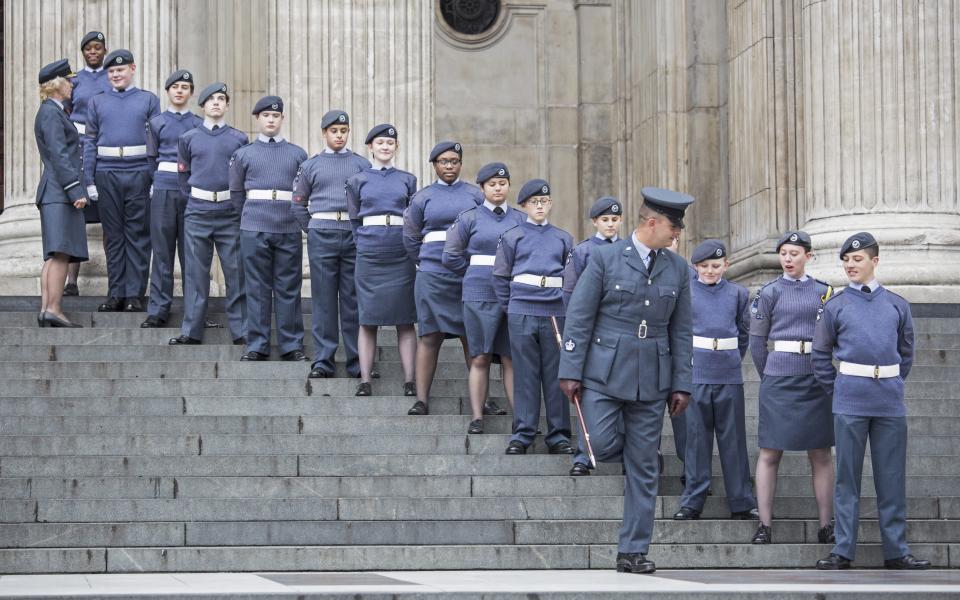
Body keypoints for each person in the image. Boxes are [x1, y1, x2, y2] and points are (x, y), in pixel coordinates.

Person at [559, 187, 694, 574]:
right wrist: (570, 370)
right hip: (603, 372)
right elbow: (580, 317)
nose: (676, 235)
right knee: (598, 443)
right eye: (672, 227)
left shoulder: (679, 268)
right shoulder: (603, 259)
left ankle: (633, 550)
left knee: (643, 467)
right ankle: (626, 453)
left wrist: (682, 382)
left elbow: (681, 330)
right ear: (651, 222)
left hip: (653, 378)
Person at [813, 232, 929, 570]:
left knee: (891, 478)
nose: (850, 264)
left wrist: (890, 381)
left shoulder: (897, 304)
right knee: (847, 478)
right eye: (846, 260)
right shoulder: (835, 306)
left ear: (874, 261)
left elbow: (906, 352)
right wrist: (839, 388)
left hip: (889, 401)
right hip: (849, 399)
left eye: (857, 259)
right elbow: (821, 355)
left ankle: (896, 550)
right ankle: (843, 549)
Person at [749, 230, 835, 545]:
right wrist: (770, 373)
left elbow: (831, 335)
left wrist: (824, 374)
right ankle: (764, 524)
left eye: (795, 253)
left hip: (815, 378)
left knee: (822, 452)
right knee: (770, 451)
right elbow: (757, 342)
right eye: (784, 253)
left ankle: (827, 525)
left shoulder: (825, 292)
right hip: (779, 376)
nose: (788, 259)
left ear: (808, 256)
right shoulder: (768, 292)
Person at [672, 239, 757, 520]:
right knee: (696, 439)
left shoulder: (737, 293)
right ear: (695, 266)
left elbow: (744, 333)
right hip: (697, 372)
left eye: (716, 266)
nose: (710, 271)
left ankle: (741, 501)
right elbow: (680, 332)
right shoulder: (686, 292)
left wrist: (730, 359)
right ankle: (693, 500)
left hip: (727, 373)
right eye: (705, 266)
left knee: (733, 439)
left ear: (726, 265)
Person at [494, 179, 574, 455]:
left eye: (544, 201)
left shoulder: (563, 237)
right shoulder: (512, 236)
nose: (539, 206)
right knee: (525, 374)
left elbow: (570, 278)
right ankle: (523, 433)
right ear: (525, 206)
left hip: (553, 311)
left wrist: (563, 306)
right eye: (534, 202)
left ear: (550, 203)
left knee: (555, 374)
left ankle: (559, 435)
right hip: (522, 311)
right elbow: (501, 277)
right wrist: (512, 307)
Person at [403, 141, 483, 416]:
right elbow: (411, 238)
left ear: (460, 164)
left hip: (466, 276)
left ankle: (480, 400)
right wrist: (427, 262)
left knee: (471, 338)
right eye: (443, 161)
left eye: (454, 161)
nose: (449, 166)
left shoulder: (475, 195)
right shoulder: (423, 197)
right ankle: (421, 399)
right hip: (432, 276)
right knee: (429, 336)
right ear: (434, 165)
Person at [442, 163, 524, 433]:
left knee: (511, 358)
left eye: (502, 183)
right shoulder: (469, 217)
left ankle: (520, 420)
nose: (498, 188)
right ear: (482, 188)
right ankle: (477, 416)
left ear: (509, 186)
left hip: (512, 294)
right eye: (492, 184)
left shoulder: (521, 219)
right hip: (479, 292)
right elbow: (451, 255)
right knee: (480, 356)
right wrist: (473, 272)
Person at [168, 82, 248, 346]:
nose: (216, 103)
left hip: (228, 212)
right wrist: (194, 200)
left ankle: (241, 330)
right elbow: (183, 176)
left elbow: (241, 177)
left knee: (235, 272)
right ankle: (191, 330)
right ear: (202, 105)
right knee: (195, 273)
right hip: (198, 212)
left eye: (221, 99)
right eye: (211, 99)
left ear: (226, 105)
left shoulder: (239, 139)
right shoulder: (188, 138)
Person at [292, 110, 370, 379]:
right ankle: (323, 360)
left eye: (344, 131)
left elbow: (368, 202)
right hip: (322, 233)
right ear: (324, 133)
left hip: (352, 234)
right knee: (323, 299)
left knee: (352, 299)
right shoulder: (311, 165)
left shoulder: (361, 165)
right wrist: (312, 230)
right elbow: (299, 203)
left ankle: (357, 359)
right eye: (334, 131)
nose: (339, 135)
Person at [230, 95, 309, 361]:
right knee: (257, 287)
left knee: (288, 287)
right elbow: (237, 194)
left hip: (287, 227)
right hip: (254, 227)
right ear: (258, 119)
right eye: (266, 116)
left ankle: (291, 345)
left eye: (276, 116)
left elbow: (301, 194)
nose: (271, 120)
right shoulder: (243, 154)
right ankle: (257, 344)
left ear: (282, 119)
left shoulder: (298, 154)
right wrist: (250, 219)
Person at [83, 48, 160, 313]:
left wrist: (153, 177)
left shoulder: (148, 100)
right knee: (113, 236)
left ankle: (134, 295)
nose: (116, 74)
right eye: (111, 71)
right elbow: (89, 141)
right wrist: (89, 179)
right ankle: (115, 292)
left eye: (120, 69)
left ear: (132, 69)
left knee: (138, 235)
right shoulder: (97, 102)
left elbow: (154, 142)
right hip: (107, 174)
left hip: (139, 172)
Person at [345, 123, 418, 396]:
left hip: (400, 252)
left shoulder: (407, 179)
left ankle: (410, 380)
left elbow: (412, 217)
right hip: (370, 252)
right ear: (370, 148)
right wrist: (363, 243)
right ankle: (365, 379)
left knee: (405, 318)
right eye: (380, 143)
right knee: (367, 318)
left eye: (390, 143)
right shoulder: (357, 180)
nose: (385, 147)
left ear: (396, 147)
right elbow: (354, 219)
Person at [564, 195, 623, 475]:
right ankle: (583, 454)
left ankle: (629, 452)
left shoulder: (629, 251)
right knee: (586, 391)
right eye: (605, 220)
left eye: (614, 219)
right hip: (592, 332)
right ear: (594, 222)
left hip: (620, 332)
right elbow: (570, 293)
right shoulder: (584, 251)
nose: (610, 224)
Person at [141, 69, 202, 328]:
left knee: (192, 253)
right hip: (164, 187)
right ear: (168, 91)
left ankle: (194, 310)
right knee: (162, 251)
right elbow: (151, 158)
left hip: (189, 190)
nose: (179, 91)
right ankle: (158, 308)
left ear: (190, 93)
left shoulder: (198, 124)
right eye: (175, 86)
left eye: (185, 87)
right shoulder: (157, 122)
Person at [34, 59, 88, 328]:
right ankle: (53, 308)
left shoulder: (52, 111)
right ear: (56, 85)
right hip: (59, 191)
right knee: (61, 253)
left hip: (54, 191)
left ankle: (48, 309)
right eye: (68, 80)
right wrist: (74, 189)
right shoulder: (51, 113)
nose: (72, 84)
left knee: (56, 254)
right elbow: (59, 155)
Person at [64, 30, 111, 295]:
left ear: (104, 50)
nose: (93, 52)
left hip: (103, 148)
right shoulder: (74, 80)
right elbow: (66, 112)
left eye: (98, 48)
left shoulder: (112, 76)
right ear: (82, 52)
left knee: (108, 215)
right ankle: (71, 281)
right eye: (88, 48)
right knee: (76, 215)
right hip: (79, 148)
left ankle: (112, 278)